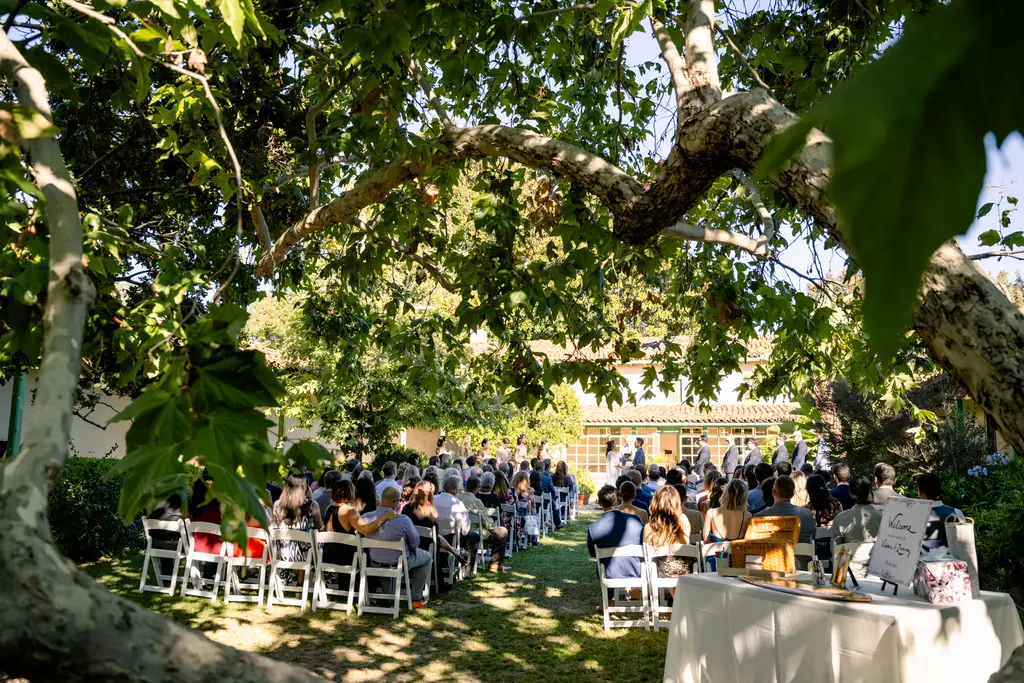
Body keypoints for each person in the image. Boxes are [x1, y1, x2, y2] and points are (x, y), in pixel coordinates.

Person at [363, 487, 432, 608]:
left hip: (375, 561)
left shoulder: (366, 517)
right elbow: (415, 543)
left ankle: (387, 598)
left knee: (386, 558)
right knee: (426, 557)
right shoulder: (404, 520)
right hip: (399, 562)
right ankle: (416, 598)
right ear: (395, 502)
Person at [321, 480, 397, 588]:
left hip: (329, 552)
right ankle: (371, 588)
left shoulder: (330, 508)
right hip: (345, 557)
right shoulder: (349, 511)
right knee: (369, 551)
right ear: (350, 492)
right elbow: (365, 530)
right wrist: (383, 518)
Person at [272, 474, 324, 584]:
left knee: (300, 543)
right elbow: (319, 527)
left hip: (283, 552)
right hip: (305, 555)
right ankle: (301, 583)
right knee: (309, 543)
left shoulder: (278, 505)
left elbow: (275, 526)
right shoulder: (312, 505)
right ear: (304, 488)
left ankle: (284, 579)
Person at [587, 485, 645, 582]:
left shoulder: (593, 528)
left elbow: (593, 554)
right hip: (634, 570)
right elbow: (643, 544)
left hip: (608, 573)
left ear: (600, 504)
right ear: (618, 500)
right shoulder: (636, 520)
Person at [644, 486, 695, 585]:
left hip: (661, 573)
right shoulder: (683, 520)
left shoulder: (649, 527)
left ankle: (675, 597)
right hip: (686, 570)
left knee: (665, 564)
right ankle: (677, 598)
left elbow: (648, 556)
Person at [458, 476, 510, 572]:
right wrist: (493, 528)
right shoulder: (476, 501)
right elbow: (487, 522)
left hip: (458, 530)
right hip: (474, 532)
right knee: (502, 532)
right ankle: (495, 565)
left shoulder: (457, 496)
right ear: (477, 488)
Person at [755, 475, 815, 544]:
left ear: (773, 492)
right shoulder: (808, 514)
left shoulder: (759, 517)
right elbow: (812, 538)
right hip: (803, 554)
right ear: (793, 493)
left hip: (773, 554)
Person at [918, 472, 963, 551]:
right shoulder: (956, 513)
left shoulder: (911, 514)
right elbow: (963, 542)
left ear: (920, 492)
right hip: (949, 561)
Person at [832, 477, 883, 545]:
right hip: (877, 555)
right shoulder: (883, 517)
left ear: (851, 494)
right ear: (870, 491)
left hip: (850, 555)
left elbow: (835, 547)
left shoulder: (840, 518)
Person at [148, 493, 184, 577]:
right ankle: (194, 575)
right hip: (174, 545)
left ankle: (166, 574)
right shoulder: (176, 507)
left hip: (155, 544)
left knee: (165, 537)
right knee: (189, 541)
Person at [512, 471, 538, 547]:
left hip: (513, 517)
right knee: (534, 513)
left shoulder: (512, 491)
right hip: (525, 518)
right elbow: (533, 506)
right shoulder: (529, 491)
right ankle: (534, 539)